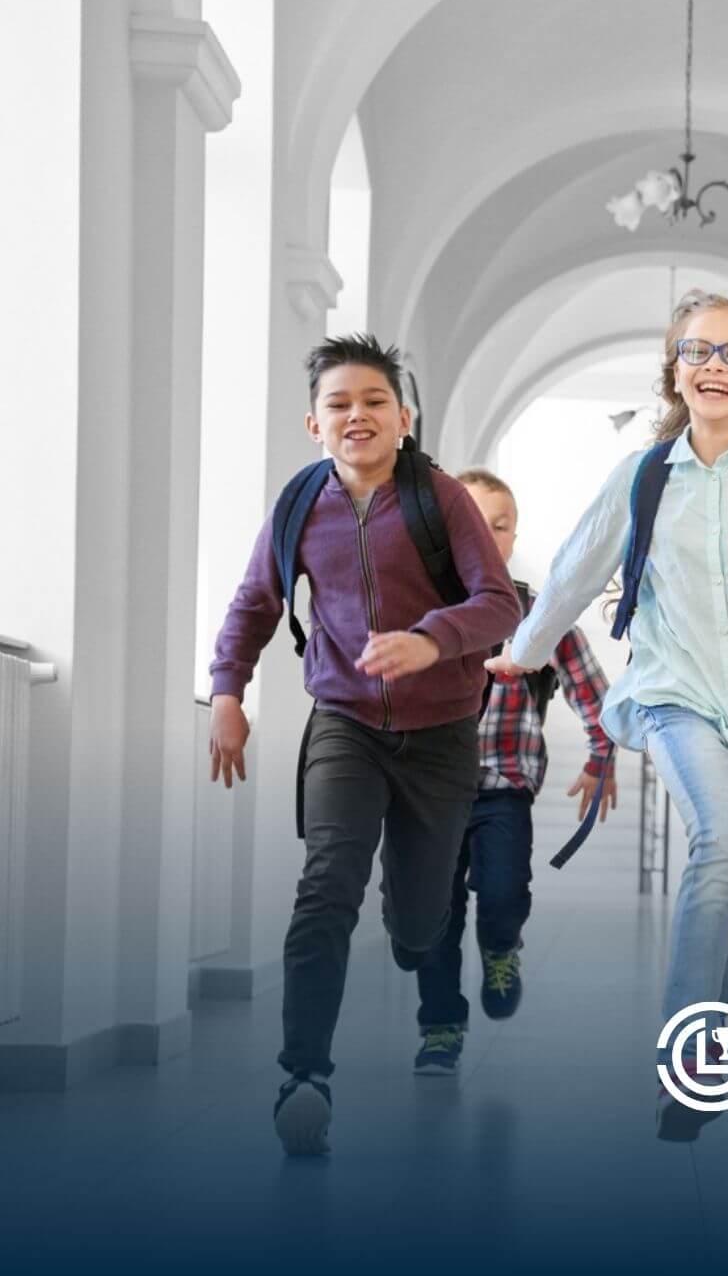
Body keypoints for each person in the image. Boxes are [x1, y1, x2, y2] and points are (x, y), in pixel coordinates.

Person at [488, 291, 728, 1141]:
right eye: (696, 350)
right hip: (673, 694)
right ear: (676, 372)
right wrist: (525, 648)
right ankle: (688, 1062)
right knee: (718, 845)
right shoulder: (644, 474)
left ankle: (714, 1026)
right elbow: (579, 567)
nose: (713, 365)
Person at [208, 334, 522, 1155]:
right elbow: (254, 605)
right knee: (324, 888)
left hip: (441, 733)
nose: (357, 416)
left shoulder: (440, 498)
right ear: (314, 422)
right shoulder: (298, 505)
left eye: (374, 401)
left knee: (418, 924)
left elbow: (499, 605)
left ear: (403, 417)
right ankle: (303, 1075)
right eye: (339, 404)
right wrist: (228, 693)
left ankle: (416, 926)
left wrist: (430, 639)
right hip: (345, 722)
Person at [411, 468, 618, 1074]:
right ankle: (441, 1027)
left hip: (503, 785)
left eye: (498, 525)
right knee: (434, 920)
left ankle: (502, 947)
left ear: (512, 537)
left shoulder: (538, 615)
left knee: (501, 895)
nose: (484, 533)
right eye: (469, 521)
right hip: (428, 795)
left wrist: (601, 755)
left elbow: (593, 694)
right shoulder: (418, 613)